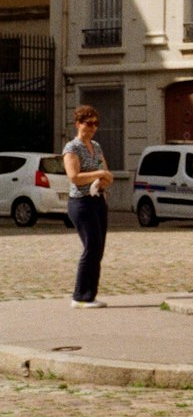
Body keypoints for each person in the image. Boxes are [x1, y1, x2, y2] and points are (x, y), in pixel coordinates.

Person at [62, 104, 115, 309]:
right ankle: (79, 296)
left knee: (98, 249)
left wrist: (104, 179)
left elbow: (106, 171)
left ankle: (90, 295)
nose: (92, 128)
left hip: (98, 200)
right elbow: (74, 177)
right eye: (88, 123)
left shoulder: (97, 146)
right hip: (81, 203)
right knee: (91, 246)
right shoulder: (72, 148)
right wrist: (99, 175)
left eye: (96, 124)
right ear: (78, 124)